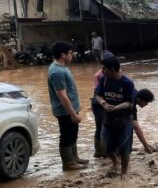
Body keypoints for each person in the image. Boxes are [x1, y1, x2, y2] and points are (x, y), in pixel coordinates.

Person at [48, 40, 88, 171]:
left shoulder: (61, 68)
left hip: (70, 109)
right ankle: (68, 163)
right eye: (70, 53)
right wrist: (73, 114)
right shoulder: (57, 71)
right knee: (66, 135)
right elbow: (62, 95)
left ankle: (74, 157)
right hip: (65, 111)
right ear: (63, 55)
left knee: (72, 133)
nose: (72, 55)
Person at [95, 55, 136, 177]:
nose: (102, 70)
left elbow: (130, 103)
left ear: (112, 69)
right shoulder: (104, 80)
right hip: (108, 120)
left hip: (124, 121)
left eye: (104, 68)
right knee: (106, 147)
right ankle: (115, 162)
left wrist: (116, 107)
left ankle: (124, 173)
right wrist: (103, 103)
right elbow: (97, 96)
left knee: (124, 149)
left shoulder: (127, 83)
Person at [90, 50, 117, 158]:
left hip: (102, 102)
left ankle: (103, 150)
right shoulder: (101, 75)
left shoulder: (107, 72)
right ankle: (102, 151)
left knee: (104, 126)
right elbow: (99, 93)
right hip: (100, 104)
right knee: (103, 126)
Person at [133, 89, 156, 153]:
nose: (147, 104)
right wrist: (145, 146)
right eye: (146, 102)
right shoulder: (131, 105)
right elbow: (136, 127)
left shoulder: (136, 93)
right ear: (139, 99)